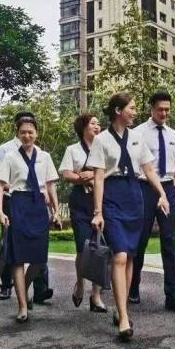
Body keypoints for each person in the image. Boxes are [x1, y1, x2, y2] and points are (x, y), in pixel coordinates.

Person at [88, 93, 170, 342]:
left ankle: (120, 307)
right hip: (112, 195)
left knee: (131, 255)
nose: (135, 112)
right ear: (118, 110)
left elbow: (148, 169)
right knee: (120, 256)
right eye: (131, 108)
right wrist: (98, 212)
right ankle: (124, 317)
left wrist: (162, 194)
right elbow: (98, 177)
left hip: (135, 195)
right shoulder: (101, 140)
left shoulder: (137, 137)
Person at [0, 115, 61, 323]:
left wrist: (56, 210)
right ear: (18, 133)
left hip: (38, 205)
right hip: (18, 204)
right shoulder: (10, 156)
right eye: (23, 132)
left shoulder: (45, 156)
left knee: (39, 259)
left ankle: (23, 285)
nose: (27, 136)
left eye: (30, 132)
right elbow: (0, 184)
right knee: (18, 258)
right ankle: (22, 305)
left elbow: (51, 185)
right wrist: (0, 212)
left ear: (36, 134)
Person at [129, 92, 175, 313]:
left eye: (167, 110)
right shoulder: (138, 133)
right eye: (160, 109)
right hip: (144, 188)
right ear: (151, 109)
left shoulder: (173, 135)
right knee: (140, 240)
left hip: (169, 188)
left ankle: (173, 295)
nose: (164, 113)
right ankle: (132, 287)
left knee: (169, 241)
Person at [59, 113, 107, 313]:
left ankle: (96, 295)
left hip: (101, 200)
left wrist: (93, 175)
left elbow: (109, 172)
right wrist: (83, 177)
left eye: (98, 124)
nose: (97, 126)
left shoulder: (104, 147)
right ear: (83, 127)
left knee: (99, 247)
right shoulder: (73, 149)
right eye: (93, 123)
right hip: (81, 200)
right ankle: (80, 282)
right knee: (82, 246)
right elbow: (66, 174)